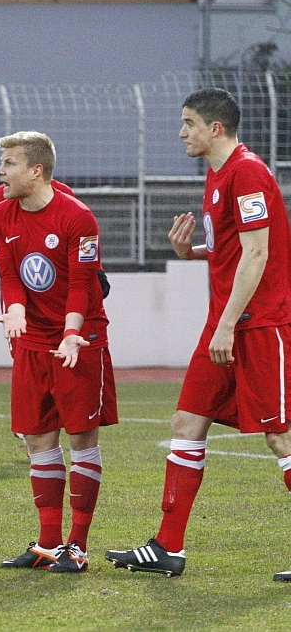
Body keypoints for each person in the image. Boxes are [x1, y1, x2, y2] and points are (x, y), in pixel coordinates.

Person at [106, 88, 291, 582]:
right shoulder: (217, 174)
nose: (181, 132)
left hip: (258, 324)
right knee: (187, 421)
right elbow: (235, 247)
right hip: (226, 324)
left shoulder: (247, 171)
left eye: (188, 123)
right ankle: (168, 548)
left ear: (216, 128)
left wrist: (229, 323)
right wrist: (198, 253)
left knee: (281, 435)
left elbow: (259, 255)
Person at [0, 131, 118, 573]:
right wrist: (16, 311)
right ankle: (47, 545)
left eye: (9, 164)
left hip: (79, 341)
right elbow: (8, 276)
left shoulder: (78, 218)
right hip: (33, 341)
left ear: (36, 170)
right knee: (38, 439)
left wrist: (70, 332)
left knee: (81, 439)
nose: (0, 172)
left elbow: (82, 285)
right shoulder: (0, 215)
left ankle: (76, 546)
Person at [0, 181, 110, 323]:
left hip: (60, 291)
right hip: (19, 294)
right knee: (19, 330)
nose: (2, 172)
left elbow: (82, 234)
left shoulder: (64, 192)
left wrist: (97, 269)